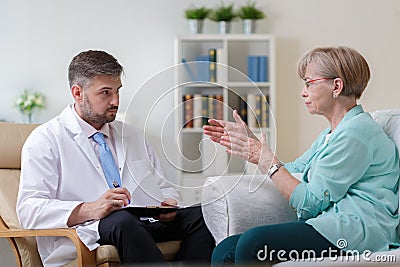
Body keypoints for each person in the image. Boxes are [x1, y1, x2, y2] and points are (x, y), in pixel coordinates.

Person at [203, 46, 400, 265]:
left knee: (254, 242)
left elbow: (309, 202)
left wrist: (265, 159)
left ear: (336, 86)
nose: (303, 92)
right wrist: (255, 147)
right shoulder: (332, 133)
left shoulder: (357, 132)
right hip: (333, 224)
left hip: (357, 230)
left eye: (309, 83)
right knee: (225, 248)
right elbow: (293, 171)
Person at [16, 50, 215, 267]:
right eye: (105, 93)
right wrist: (91, 208)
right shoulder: (46, 140)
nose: (116, 101)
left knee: (204, 214)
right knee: (121, 220)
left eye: (118, 91)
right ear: (77, 93)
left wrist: (168, 204)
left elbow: (164, 188)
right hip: (88, 230)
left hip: (142, 222)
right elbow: (29, 210)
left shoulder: (132, 135)